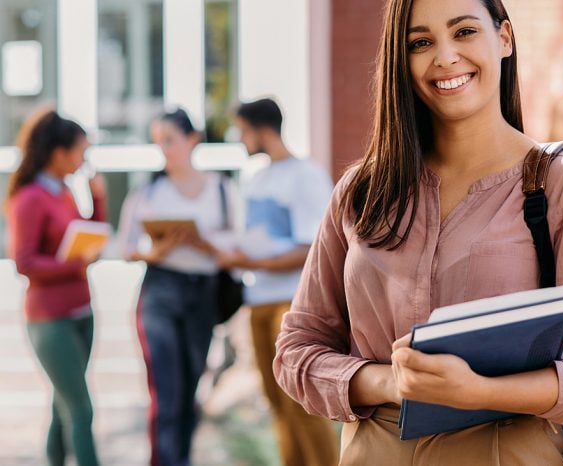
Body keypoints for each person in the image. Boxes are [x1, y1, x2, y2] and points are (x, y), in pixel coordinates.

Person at [273, 0, 563, 464]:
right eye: (421, 42)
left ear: (505, 38)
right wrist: (388, 381)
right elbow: (297, 349)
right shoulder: (360, 191)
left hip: (508, 448)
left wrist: (483, 391)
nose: (445, 57)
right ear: (401, 59)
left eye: (465, 32)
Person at [217, 98, 339, 466]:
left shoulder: (306, 176)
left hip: (293, 303)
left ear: (263, 130)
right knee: (276, 405)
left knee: (302, 404)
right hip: (258, 301)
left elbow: (315, 247)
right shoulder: (257, 177)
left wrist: (252, 260)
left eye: (243, 130)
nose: (240, 139)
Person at [117, 109, 239, 466]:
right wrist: (158, 250)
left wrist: (205, 245)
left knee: (189, 392)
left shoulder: (220, 188)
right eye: (158, 142)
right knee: (166, 394)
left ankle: (181, 459)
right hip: (160, 291)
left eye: (169, 140)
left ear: (192, 140)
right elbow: (127, 247)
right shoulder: (149, 192)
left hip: (203, 293)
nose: (164, 149)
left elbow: (236, 245)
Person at [5, 109, 106, 466]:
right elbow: (25, 262)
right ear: (59, 152)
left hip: (81, 311)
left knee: (62, 406)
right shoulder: (30, 198)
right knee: (80, 409)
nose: (84, 161)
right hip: (51, 320)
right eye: (81, 151)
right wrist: (76, 265)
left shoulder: (62, 191)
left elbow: (87, 241)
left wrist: (99, 201)